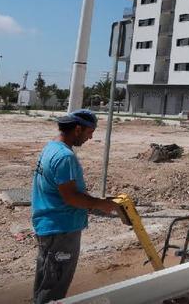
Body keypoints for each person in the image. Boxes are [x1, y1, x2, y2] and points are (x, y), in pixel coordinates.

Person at [31, 109, 119, 303]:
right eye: (90, 132)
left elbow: (63, 189)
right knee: (54, 285)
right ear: (78, 129)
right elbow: (70, 197)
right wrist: (100, 204)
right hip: (61, 228)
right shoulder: (65, 157)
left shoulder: (51, 148)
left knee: (46, 279)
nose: (91, 137)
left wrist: (90, 200)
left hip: (50, 225)